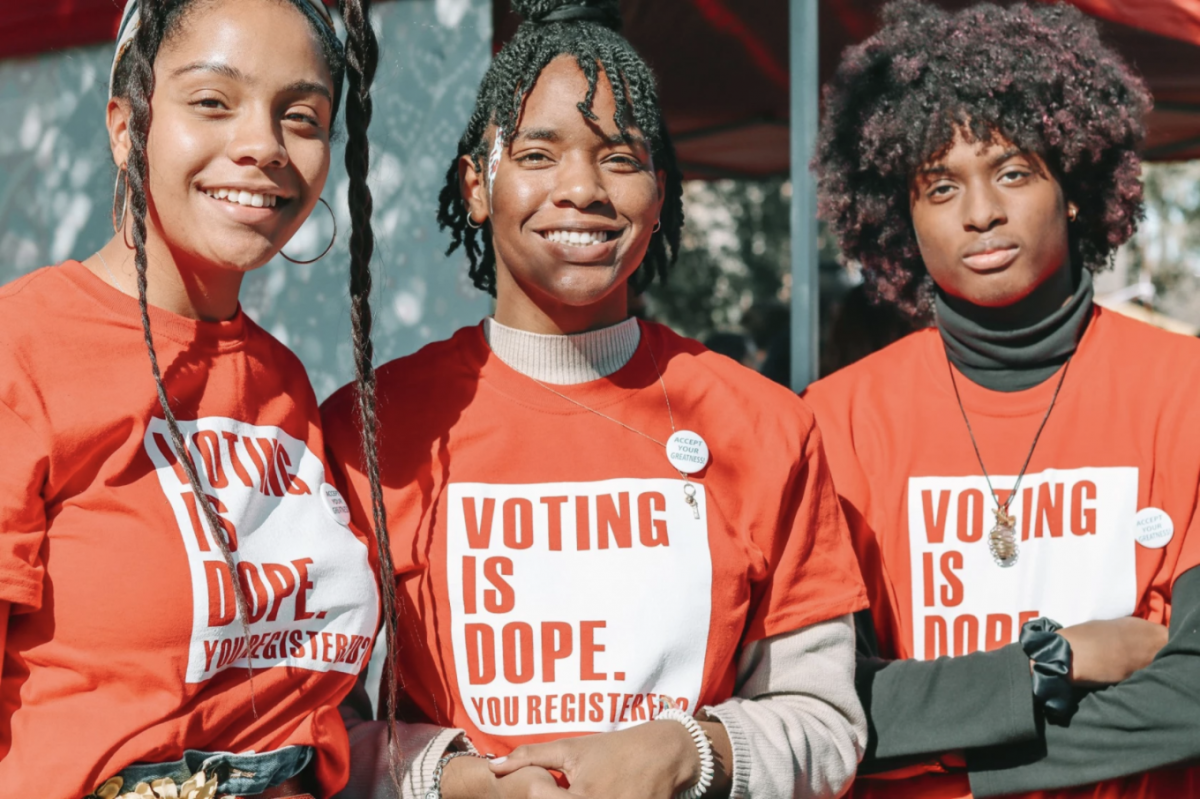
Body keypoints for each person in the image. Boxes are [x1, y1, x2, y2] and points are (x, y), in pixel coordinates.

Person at [321, 1, 868, 797]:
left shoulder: (767, 426)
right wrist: (466, 780)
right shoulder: (367, 432)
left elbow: (825, 723)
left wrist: (690, 752)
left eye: (619, 157)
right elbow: (314, 734)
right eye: (539, 154)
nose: (581, 188)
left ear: (658, 188)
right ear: (477, 183)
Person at [805, 1, 1200, 797]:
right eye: (940, 185)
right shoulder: (832, 420)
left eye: (1013, 171)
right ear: (901, 214)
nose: (981, 214)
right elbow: (823, 708)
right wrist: (1057, 661)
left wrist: (942, 739)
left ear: (1078, 184)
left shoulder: (1184, 391)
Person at [0, 1, 394, 796]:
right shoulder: (23, 349)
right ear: (125, 126)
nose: (262, 146)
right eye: (213, 102)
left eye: (302, 116)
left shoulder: (284, 382)